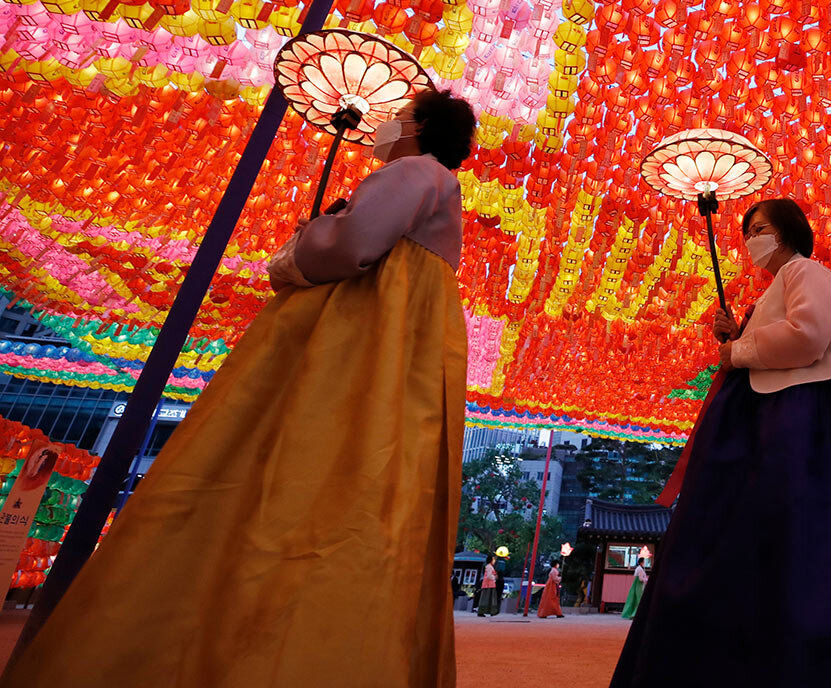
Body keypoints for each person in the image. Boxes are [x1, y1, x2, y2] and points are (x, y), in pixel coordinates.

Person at [3, 90, 477, 688]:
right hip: (397, 335)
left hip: (358, 333)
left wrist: (310, 241)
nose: (389, 127)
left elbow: (355, 244)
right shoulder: (438, 191)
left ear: (421, 128)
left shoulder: (414, 171)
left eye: (402, 117)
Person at [610, 198, 831, 688]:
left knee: (801, 533)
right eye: (746, 231)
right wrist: (738, 334)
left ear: (789, 230)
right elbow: (766, 344)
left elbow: (806, 337)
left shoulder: (807, 272)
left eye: (760, 227)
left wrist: (740, 348)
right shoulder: (771, 290)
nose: (751, 239)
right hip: (767, 420)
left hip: (808, 417)